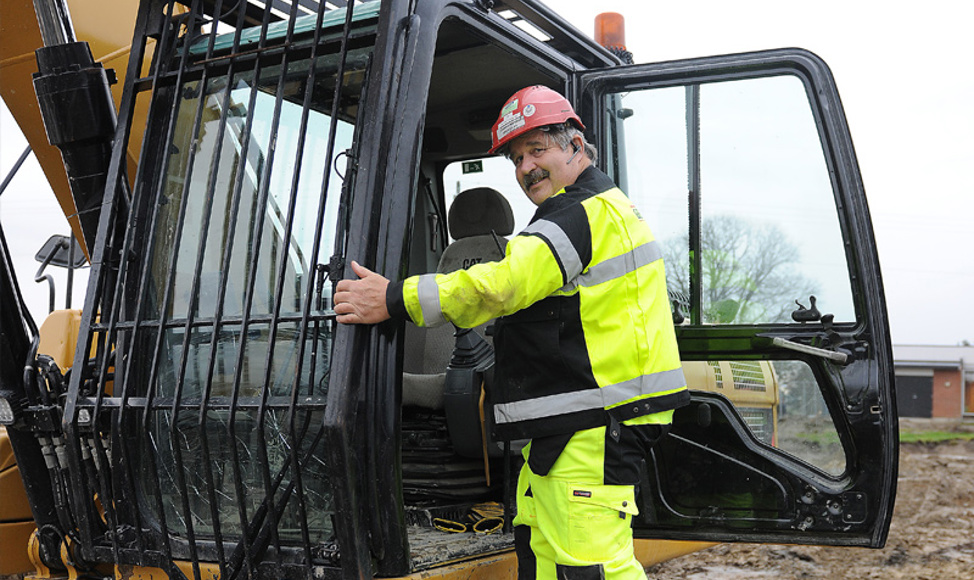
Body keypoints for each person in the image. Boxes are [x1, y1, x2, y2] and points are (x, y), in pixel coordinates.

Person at [334, 85, 689, 579]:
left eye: (538, 150)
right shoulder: (592, 212)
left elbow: (504, 285)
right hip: (568, 428)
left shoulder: (578, 216)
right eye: (517, 158)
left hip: (592, 427)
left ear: (575, 146)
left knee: (591, 569)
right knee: (545, 558)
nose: (526, 168)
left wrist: (395, 298)